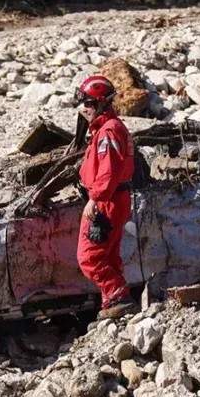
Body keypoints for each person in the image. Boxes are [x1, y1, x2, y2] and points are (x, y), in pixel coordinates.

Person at [75, 75, 137, 320]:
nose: (84, 108)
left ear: (101, 104)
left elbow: (108, 171)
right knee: (108, 256)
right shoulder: (105, 129)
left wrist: (95, 199)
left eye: (88, 104)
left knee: (89, 256)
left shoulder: (109, 131)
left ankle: (119, 295)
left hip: (106, 202)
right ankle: (112, 304)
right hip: (114, 199)